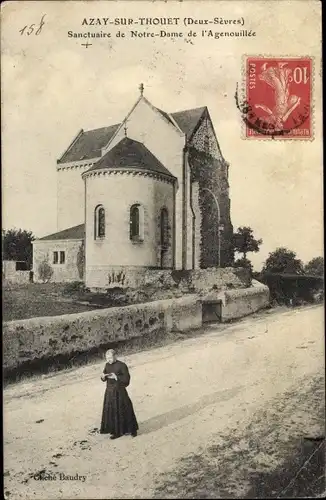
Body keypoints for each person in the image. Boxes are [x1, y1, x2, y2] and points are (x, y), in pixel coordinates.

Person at [100, 349, 139, 439]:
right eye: (107, 358)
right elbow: (105, 376)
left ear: (115, 356)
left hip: (120, 392)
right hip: (109, 392)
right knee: (112, 412)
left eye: (110, 358)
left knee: (126, 409)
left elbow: (127, 380)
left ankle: (132, 429)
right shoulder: (107, 365)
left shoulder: (122, 365)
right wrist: (102, 377)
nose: (108, 360)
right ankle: (116, 432)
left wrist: (116, 377)